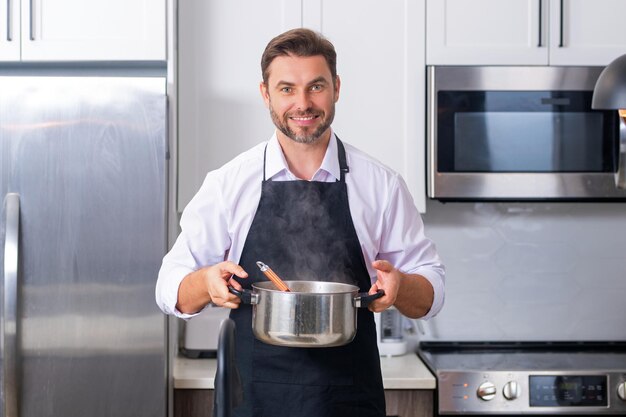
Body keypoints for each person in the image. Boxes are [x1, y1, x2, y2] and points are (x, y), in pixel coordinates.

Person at [156, 28, 445, 417]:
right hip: (254, 399)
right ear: (266, 94)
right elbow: (168, 286)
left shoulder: (382, 185)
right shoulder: (229, 183)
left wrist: (401, 286)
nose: (303, 103)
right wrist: (205, 283)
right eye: (287, 88)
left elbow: (432, 290)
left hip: (349, 400)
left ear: (337, 88)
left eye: (316, 86)